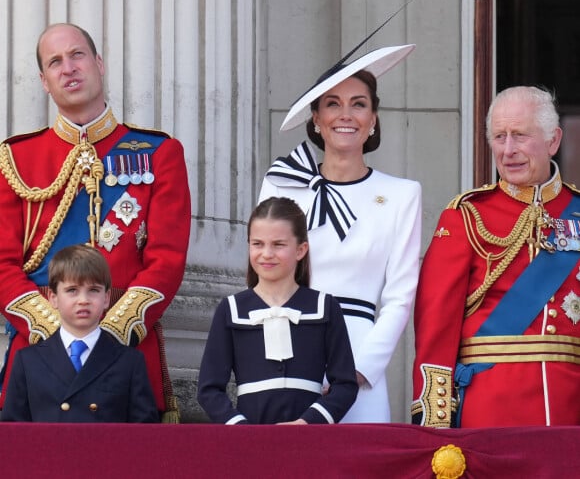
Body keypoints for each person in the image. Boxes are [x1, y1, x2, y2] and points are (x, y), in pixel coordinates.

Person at [0, 23, 191, 421]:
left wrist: (108, 336)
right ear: (44, 82)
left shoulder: (160, 152)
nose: (68, 68)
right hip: (38, 357)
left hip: (127, 353)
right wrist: (59, 333)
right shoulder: (16, 159)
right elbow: (2, 265)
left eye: (77, 55)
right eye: (55, 62)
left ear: (99, 64)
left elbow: (167, 260)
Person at [259, 45, 422, 423]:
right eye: (332, 104)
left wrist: (360, 370)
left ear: (373, 118)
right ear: (315, 118)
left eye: (358, 104)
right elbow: (262, 276)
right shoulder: (282, 185)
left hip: (359, 357)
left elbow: (400, 296)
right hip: (287, 347)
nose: (345, 115)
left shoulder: (402, 194)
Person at [412, 85, 580, 428]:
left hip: (571, 409)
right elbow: (435, 330)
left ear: (553, 140)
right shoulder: (466, 217)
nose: (507, 150)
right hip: (490, 413)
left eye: (519, 136)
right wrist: (435, 425)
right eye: (498, 137)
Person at [197, 196, 358, 424]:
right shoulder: (231, 309)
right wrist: (239, 428)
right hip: (249, 441)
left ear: (301, 250)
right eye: (257, 244)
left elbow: (345, 385)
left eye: (278, 244)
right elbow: (208, 389)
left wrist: (309, 422)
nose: (266, 254)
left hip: (310, 440)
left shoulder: (325, 307)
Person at [2, 244, 159, 422]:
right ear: (53, 298)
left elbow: (144, 435)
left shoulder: (130, 362)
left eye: (93, 290)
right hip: (47, 450)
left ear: (106, 298)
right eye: (72, 291)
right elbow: (13, 434)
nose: (83, 300)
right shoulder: (28, 361)